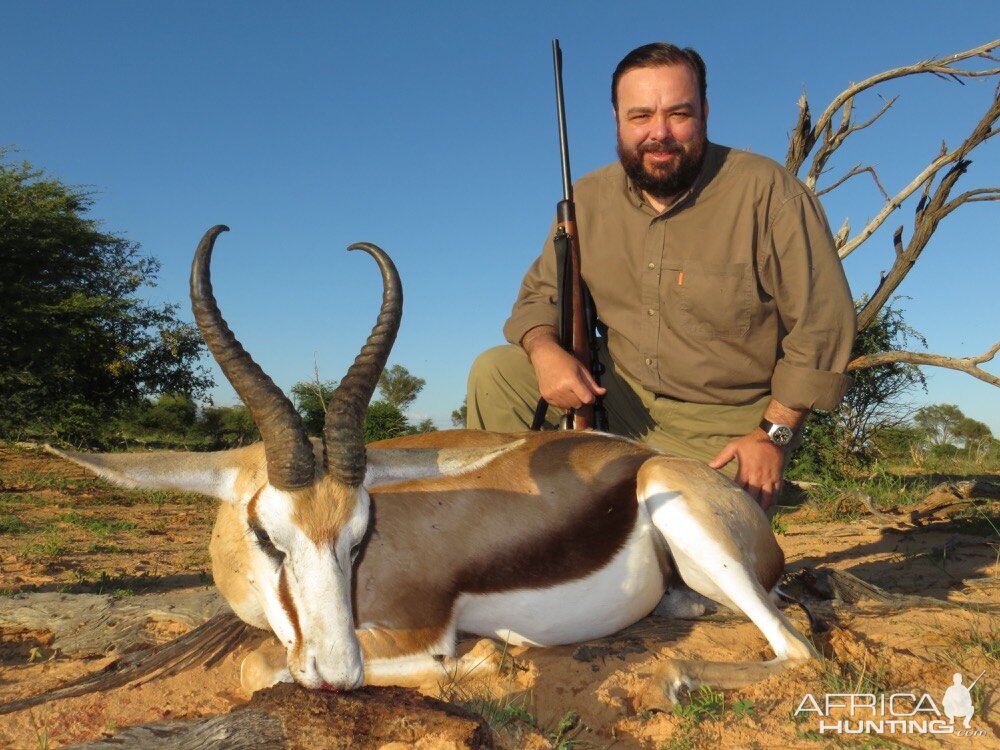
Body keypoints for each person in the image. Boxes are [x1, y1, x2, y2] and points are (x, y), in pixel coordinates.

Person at [466, 42, 856, 509]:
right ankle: (509, 533)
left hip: (721, 427)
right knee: (497, 372)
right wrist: (544, 349)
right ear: (617, 119)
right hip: (615, 397)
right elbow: (539, 296)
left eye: (679, 114)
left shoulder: (770, 193)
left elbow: (822, 325)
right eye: (640, 116)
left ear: (705, 112)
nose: (660, 133)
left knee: (684, 558)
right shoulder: (586, 198)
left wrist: (772, 436)